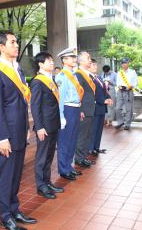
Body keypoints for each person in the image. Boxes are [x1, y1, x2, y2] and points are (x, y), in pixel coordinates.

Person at [0, 30, 36, 230]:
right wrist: (3, 137)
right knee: (6, 177)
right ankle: (5, 215)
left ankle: (15, 209)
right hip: (6, 136)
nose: (17, 45)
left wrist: (26, 127)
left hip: (19, 132)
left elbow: (22, 104)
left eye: (16, 42)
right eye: (13, 42)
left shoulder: (18, 71)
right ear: (1, 47)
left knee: (17, 175)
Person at [30, 52, 64, 200]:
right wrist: (39, 127)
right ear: (40, 64)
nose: (52, 63)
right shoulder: (38, 81)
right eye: (48, 61)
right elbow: (35, 106)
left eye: (52, 60)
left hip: (53, 123)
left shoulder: (52, 79)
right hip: (44, 126)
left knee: (50, 155)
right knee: (42, 157)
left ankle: (47, 182)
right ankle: (41, 185)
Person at [55, 47, 83, 181]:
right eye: (71, 58)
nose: (74, 59)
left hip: (75, 109)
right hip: (67, 109)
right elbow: (60, 98)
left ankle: (69, 166)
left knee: (72, 140)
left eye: (74, 57)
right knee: (65, 141)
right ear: (64, 60)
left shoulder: (74, 75)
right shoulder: (62, 76)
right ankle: (63, 169)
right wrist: (61, 116)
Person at [74, 51, 96, 168]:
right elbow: (78, 93)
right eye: (88, 58)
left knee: (87, 135)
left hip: (90, 109)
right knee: (82, 135)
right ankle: (79, 158)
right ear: (81, 61)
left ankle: (83, 157)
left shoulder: (86, 74)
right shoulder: (78, 74)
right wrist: (81, 109)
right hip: (84, 110)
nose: (90, 60)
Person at [89, 59, 112, 155]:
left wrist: (108, 97)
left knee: (99, 129)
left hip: (102, 107)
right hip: (95, 106)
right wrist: (103, 100)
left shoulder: (98, 77)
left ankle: (96, 147)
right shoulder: (88, 78)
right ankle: (90, 148)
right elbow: (92, 94)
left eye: (95, 65)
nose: (95, 67)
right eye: (92, 65)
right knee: (93, 129)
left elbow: (103, 90)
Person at [115, 58, 138, 130]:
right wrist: (119, 86)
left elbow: (136, 82)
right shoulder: (119, 73)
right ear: (121, 64)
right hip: (120, 91)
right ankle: (120, 122)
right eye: (123, 63)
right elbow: (117, 82)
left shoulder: (132, 72)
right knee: (117, 108)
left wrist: (131, 86)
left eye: (125, 63)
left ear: (128, 63)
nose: (124, 64)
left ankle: (127, 124)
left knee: (129, 109)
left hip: (129, 92)